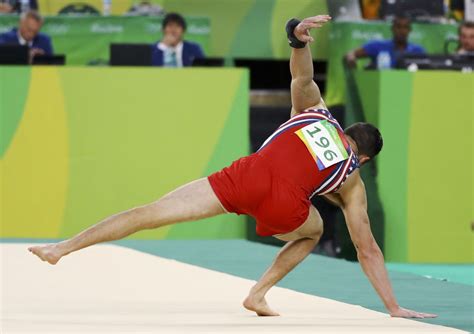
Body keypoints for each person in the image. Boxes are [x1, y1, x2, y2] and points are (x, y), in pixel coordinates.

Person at [29, 14, 436, 320]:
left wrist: (295, 36)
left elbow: (302, 74)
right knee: (313, 232)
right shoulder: (352, 178)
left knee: (150, 212)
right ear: (364, 157)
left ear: (345, 127)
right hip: (283, 204)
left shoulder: (315, 111)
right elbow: (367, 250)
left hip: (246, 175)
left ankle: (61, 248)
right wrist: (393, 306)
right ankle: (258, 293)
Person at [345, 16, 425, 69]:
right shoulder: (378, 46)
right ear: (393, 29)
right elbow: (351, 54)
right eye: (398, 27)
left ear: (410, 30)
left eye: (405, 27)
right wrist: (351, 58)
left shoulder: (418, 50)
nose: (402, 31)